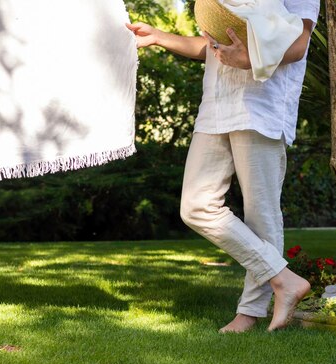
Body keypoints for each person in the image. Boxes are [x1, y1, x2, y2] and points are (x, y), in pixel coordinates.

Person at [127, 0, 320, 332]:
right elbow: (212, 45)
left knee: (262, 216)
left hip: (262, 105)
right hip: (216, 104)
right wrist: (159, 36)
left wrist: (249, 59)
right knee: (196, 206)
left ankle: (249, 313)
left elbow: (299, 44)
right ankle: (284, 279)